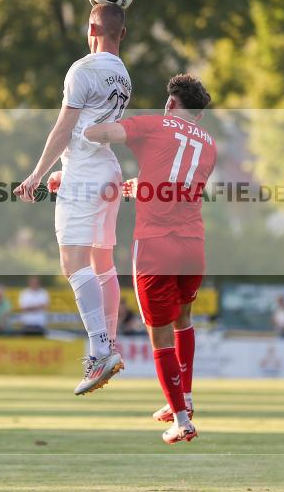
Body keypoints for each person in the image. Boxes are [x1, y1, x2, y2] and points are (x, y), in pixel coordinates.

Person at [82, 73, 215, 444]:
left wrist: (85, 118)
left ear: (171, 103)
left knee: (159, 335)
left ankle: (182, 420)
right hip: (194, 244)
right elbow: (177, 182)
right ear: (199, 115)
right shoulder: (209, 143)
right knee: (183, 320)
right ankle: (182, 399)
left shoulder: (153, 124)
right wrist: (143, 187)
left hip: (157, 244)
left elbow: (98, 135)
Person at [14, 3, 131, 395]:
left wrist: (37, 175)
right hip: (107, 172)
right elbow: (93, 129)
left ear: (91, 29)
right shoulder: (123, 74)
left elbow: (65, 128)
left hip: (87, 175)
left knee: (73, 260)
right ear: (122, 34)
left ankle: (100, 350)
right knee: (102, 260)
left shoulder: (83, 69)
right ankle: (109, 343)